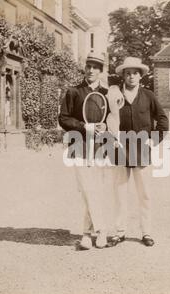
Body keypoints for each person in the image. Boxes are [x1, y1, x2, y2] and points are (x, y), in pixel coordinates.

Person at [109, 57, 169, 247]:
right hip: (120, 150)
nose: (131, 76)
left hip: (143, 149)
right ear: (123, 76)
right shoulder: (114, 95)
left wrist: (153, 140)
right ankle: (120, 232)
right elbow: (107, 119)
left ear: (140, 75)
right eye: (128, 73)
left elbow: (162, 120)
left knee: (145, 193)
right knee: (119, 192)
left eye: (135, 73)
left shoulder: (148, 96)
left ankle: (146, 232)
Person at [59, 52, 108, 250]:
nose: (91, 70)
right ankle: (101, 230)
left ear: (100, 71)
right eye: (88, 66)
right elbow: (63, 118)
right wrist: (83, 127)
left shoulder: (106, 94)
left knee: (96, 190)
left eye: (95, 67)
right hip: (78, 147)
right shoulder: (73, 92)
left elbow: (113, 119)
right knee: (88, 190)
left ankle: (87, 234)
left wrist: (106, 127)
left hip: (100, 148)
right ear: (84, 68)